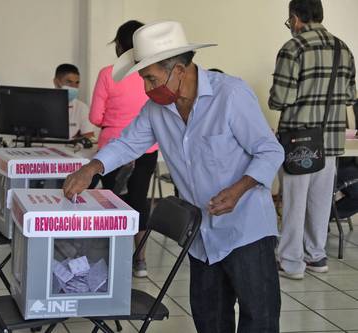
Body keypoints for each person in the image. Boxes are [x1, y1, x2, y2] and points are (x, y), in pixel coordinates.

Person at [64, 20, 284, 332]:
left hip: (246, 230)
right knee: (210, 321)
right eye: (144, 80)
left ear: (179, 69)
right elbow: (127, 143)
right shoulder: (156, 109)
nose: (146, 88)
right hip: (202, 236)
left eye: (151, 79)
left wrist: (239, 189)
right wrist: (91, 168)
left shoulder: (230, 95)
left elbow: (270, 151)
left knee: (258, 320)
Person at [269, 0, 356, 279]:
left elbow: (280, 99)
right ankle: (316, 256)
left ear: (295, 18)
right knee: (320, 202)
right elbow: (351, 96)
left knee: (294, 202)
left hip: (298, 140)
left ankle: (291, 262)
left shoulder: (293, 48)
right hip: (330, 139)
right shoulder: (344, 48)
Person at [89, 20, 159, 278]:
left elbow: (96, 117)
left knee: (111, 202)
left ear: (119, 46)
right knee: (139, 201)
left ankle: (110, 258)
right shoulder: (153, 73)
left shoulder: (108, 74)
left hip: (112, 148)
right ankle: (139, 260)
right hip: (147, 149)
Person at [53, 63, 96, 140]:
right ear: (56, 82)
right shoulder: (41, 105)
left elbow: (89, 136)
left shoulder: (82, 107)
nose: (74, 87)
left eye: (77, 83)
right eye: (69, 82)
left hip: (70, 150)